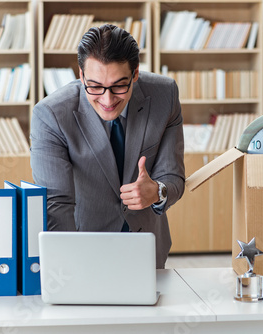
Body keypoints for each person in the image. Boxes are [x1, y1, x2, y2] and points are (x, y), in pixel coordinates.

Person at [30, 24, 185, 268]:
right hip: (83, 248)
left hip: (147, 248)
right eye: (95, 86)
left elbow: (173, 176)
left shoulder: (165, 96)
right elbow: (56, 203)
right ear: (81, 76)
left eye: (119, 86)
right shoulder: (51, 115)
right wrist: (65, 267)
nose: (107, 99)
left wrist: (157, 191)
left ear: (135, 74)